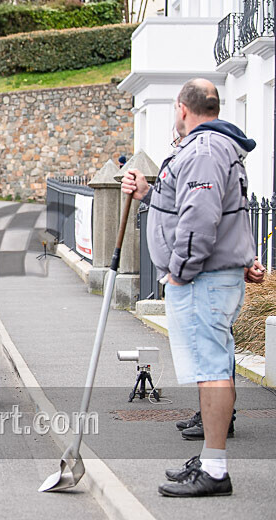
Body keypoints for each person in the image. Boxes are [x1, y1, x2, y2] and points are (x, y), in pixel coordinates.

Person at [121, 78, 264, 498]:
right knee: (211, 369)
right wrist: (148, 192)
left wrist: (180, 270)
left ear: (183, 108)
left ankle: (216, 470)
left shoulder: (202, 150)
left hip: (201, 278)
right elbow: (203, 208)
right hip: (209, 275)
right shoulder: (214, 148)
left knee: (213, 371)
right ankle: (209, 458)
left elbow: (200, 219)